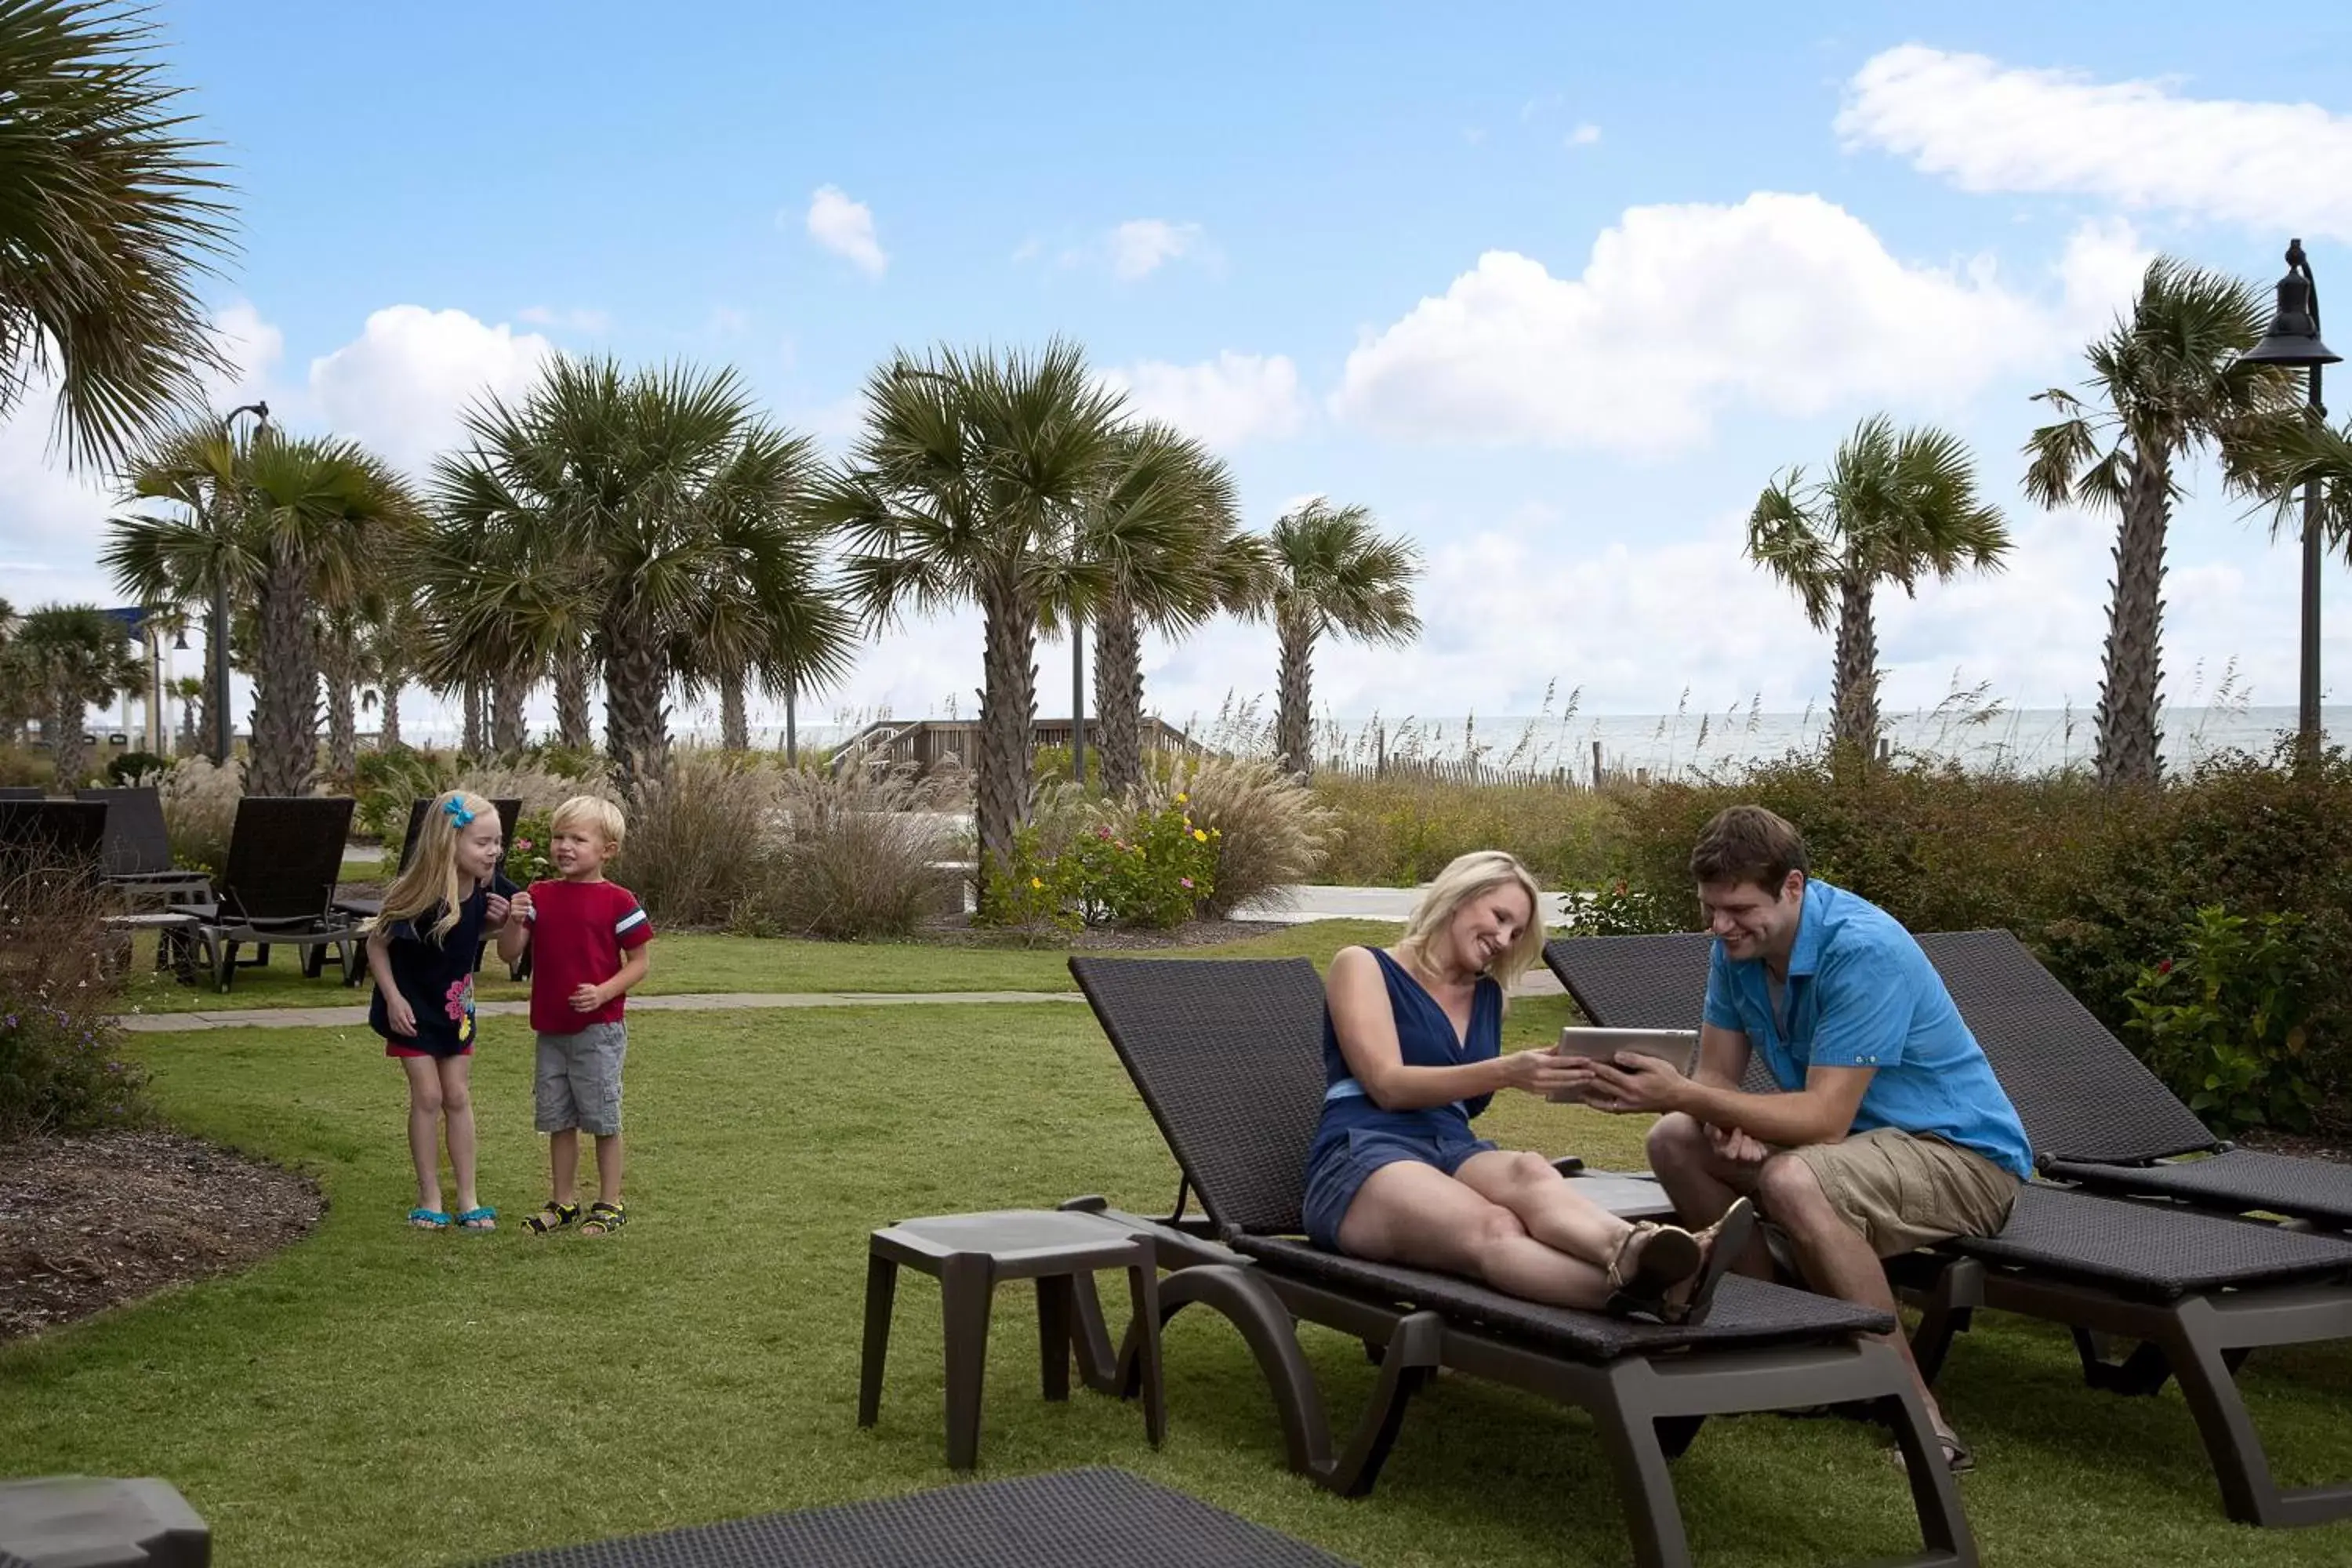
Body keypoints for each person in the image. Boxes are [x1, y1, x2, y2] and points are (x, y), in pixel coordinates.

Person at [1566, 804, 2032, 1473]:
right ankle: (1777, 1344)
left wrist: (1697, 1097)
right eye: (1710, 908)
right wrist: (1719, 1119)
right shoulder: (1737, 952)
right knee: (1673, 1139)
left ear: (1793, 887)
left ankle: (1916, 1409)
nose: (1720, 926)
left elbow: (1822, 1120)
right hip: (1847, 1156)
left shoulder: (1862, 950)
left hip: (1959, 1156)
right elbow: (1719, 1079)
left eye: (1736, 908)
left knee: (1790, 1176)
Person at [1304, 849, 1754, 1323]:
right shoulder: (1362, 966)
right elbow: (1387, 1085)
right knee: (1494, 1226)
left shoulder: (1489, 999)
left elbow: (1466, 1104)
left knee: (1531, 1171)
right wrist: (1508, 1070)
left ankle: (1635, 1247)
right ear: (1459, 897)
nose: (1503, 940)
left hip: (1449, 1149)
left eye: (1516, 933)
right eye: (1499, 918)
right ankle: (1658, 1292)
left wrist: (1566, 1075)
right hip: (1364, 1152)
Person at [496, 795, 653, 1238]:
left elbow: (640, 962)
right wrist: (514, 919)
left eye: (578, 839)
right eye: (559, 837)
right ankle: (563, 1203)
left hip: (599, 1032)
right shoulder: (541, 897)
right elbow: (509, 953)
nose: (565, 846)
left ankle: (610, 1203)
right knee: (558, 1119)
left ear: (607, 850)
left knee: (603, 1118)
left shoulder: (618, 901)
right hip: (551, 1030)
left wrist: (603, 992)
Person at [365, 789, 516, 1231]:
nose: (494, 852)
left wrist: (501, 922)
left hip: (455, 1009)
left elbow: (485, 935)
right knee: (428, 1096)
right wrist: (393, 998)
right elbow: (376, 944)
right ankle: (429, 1195)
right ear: (449, 843)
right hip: (410, 1008)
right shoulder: (417, 892)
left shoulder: (489, 887)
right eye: (483, 843)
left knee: (457, 1096)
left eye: (497, 841)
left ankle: (468, 1198)